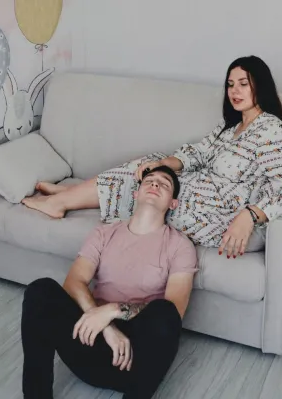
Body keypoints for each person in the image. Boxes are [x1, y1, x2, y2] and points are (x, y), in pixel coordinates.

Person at [22, 55, 282, 258]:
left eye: (243, 83)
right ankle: (70, 195)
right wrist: (163, 163)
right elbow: (197, 153)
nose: (235, 91)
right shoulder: (231, 127)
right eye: (230, 84)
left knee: (151, 184)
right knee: (152, 167)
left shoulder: (273, 131)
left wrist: (249, 216)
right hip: (199, 192)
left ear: (260, 85)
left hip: (219, 213)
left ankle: (62, 201)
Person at [21, 165, 198, 399]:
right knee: (40, 290)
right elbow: (74, 282)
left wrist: (114, 311)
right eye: (149, 180)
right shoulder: (104, 233)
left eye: (164, 184)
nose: (155, 184)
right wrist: (105, 325)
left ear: (172, 203)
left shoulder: (180, 246)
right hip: (90, 338)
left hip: (135, 359)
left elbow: (175, 311)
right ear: (136, 193)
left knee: (165, 313)